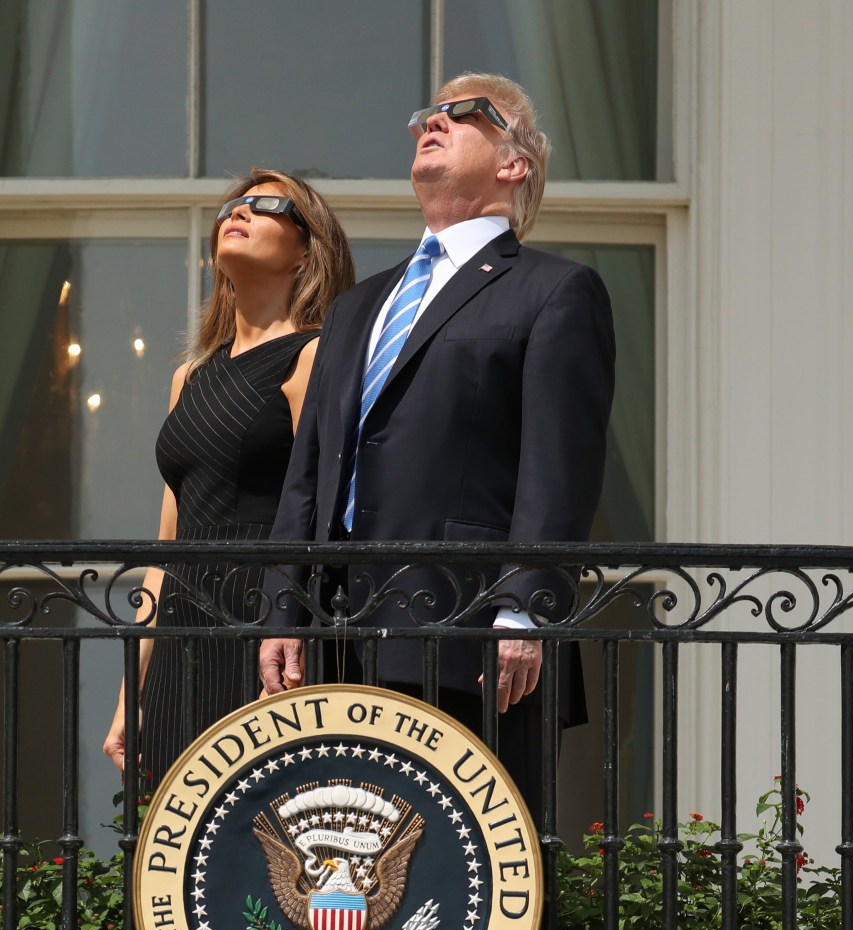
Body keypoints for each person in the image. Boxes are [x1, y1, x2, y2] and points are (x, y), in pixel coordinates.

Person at [257, 74, 616, 811]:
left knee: (469, 884)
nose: (434, 122)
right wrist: (282, 611)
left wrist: (526, 610)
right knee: (342, 864)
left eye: (466, 113)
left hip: (470, 642)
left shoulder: (554, 291)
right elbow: (308, 474)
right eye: (429, 113)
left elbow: (561, 466)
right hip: (338, 642)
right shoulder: (359, 306)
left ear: (515, 163)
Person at [103, 170, 355, 779]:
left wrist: (291, 633)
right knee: (184, 846)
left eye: (267, 205)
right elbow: (167, 549)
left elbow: (325, 521)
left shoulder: (315, 356)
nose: (238, 212)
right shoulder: (189, 376)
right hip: (185, 635)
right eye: (233, 204)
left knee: (266, 833)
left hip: (267, 626)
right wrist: (128, 694)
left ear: (306, 249)